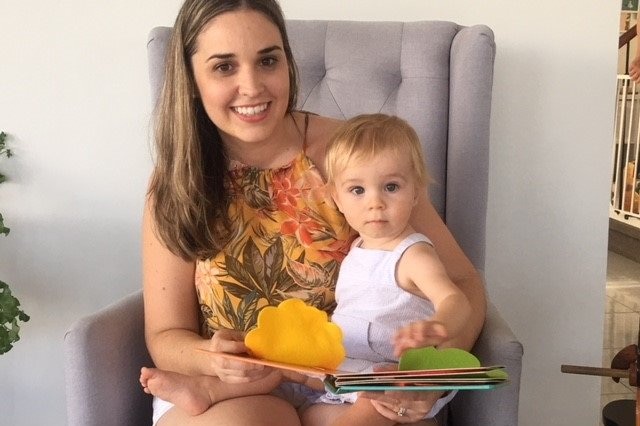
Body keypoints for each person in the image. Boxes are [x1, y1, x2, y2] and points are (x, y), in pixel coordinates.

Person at [140, 0, 487, 425]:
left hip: (356, 384)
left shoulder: (353, 157)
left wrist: (428, 378)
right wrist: (211, 359)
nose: (252, 87)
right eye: (224, 67)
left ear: (288, 62)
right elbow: (165, 336)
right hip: (231, 391)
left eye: (268, 60)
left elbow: (463, 284)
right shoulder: (177, 181)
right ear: (192, 80)